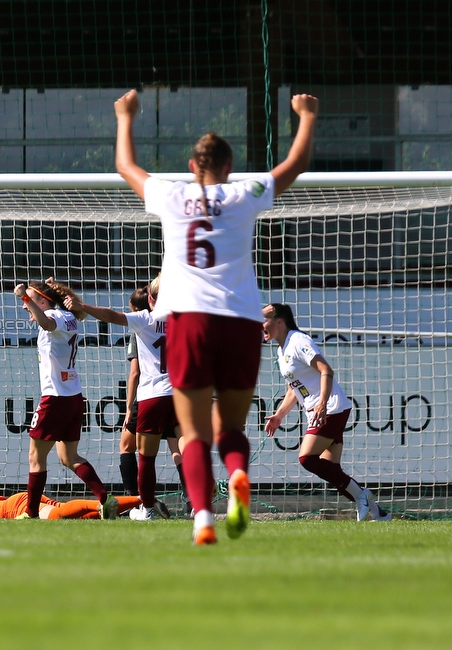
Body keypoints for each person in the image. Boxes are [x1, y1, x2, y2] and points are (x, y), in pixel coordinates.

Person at [114, 88, 319, 544]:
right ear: (229, 168)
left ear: (192, 167)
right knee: (230, 428)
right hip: (241, 322)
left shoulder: (170, 196)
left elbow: (126, 167)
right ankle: (238, 475)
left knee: (192, 433)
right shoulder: (245, 194)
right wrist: (306, 116)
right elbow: (297, 164)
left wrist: (126, 116)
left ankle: (204, 517)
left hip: (189, 322)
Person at [66, 275, 184, 521]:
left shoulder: (145, 319)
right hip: (181, 394)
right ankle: (199, 492)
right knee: (183, 445)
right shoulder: (184, 320)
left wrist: (82, 307)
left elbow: (110, 316)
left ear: (150, 299)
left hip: (153, 394)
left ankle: (147, 509)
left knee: (146, 458)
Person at [262, 303, 392, 521]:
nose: (260, 324)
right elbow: (294, 389)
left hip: (330, 408)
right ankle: (379, 514)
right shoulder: (281, 350)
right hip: (321, 411)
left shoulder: (298, 341)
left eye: (264, 318)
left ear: (280, 321)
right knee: (333, 470)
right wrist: (279, 415)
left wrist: (322, 402)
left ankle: (363, 495)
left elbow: (326, 370)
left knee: (306, 459)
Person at [12, 279, 119, 519]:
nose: (24, 306)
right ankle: (105, 498)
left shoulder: (53, 316)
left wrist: (24, 297)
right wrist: (32, 301)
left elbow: (48, 323)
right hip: (72, 396)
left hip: (55, 397)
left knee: (35, 457)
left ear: (42, 300)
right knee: (68, 457)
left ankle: (30, 513)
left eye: (30, 299)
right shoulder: (69, 316)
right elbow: (51, 321)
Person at [0, 459, 142, 520]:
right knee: (75, 515)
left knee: (58, 515)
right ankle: (143, 500)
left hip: (14, 509)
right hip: (16, 502)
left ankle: (111, 503)